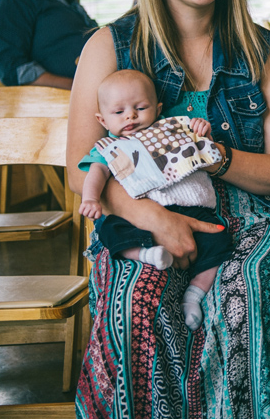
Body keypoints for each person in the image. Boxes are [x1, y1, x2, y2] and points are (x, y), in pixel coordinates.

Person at [66, 0, 270, 418]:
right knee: (139, 298)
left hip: (260, 218)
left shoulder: (262, 49)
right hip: (142, 214)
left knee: (244, 299)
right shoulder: (110, 46)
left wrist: (212, 157)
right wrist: (155, 218)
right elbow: (80, 169)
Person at [78, 69, 232, 331]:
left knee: (220, 241)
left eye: (140, 107)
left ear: (158, 108)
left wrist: (201, 130)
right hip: (143, 218)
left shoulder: (172, 128)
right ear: (101, 119)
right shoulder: (109, 147)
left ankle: (194, 296)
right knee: (110, 228)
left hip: (192, 211)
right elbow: (97, 173)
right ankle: (145, 254)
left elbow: (203, 149)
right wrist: (91, 198)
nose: (130, 115)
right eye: (119, 112)